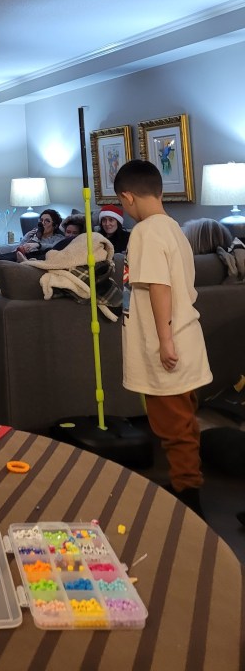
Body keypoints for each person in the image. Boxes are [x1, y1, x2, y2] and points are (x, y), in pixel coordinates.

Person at [113, 159, 212, 516]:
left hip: (169, 345)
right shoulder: (174, 229)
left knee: (173, 427)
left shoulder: (146, 232)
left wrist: (165, 341)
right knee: (184, 421)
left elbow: (159, 286)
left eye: (121, 202)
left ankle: (189, 498)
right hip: (187, 340)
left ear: (127, 196)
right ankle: (186, 483)